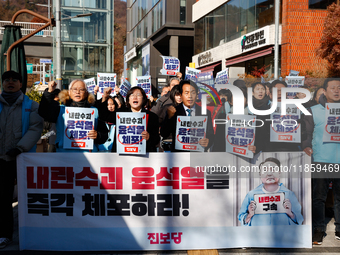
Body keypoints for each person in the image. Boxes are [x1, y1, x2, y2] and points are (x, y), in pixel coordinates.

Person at [0, 71, 44, 249]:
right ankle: (4, 234)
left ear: (21, 83)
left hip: (22, 157)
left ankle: (30, 233)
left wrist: (20, 148)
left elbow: (35, 128)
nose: (10, 82)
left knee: (28, 197)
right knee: (3, 198)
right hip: (1, 159)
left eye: (14, 80)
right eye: (6, 80)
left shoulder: (32, 105)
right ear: (2, 83)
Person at [302, 77, 340, 245]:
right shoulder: (313, 110)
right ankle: (318, 229)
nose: (337, 90)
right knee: (319, 198)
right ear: (324, 91)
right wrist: (305, 146)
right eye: (333, 88)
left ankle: (339, 229)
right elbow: (306, 134)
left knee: (339, 198)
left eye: (339, 87)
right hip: (321, 160)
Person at [38, 80, 108, 152]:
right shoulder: (61, 110)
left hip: (89, 156)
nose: (78, 92)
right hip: (64, 155)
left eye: (81, 89)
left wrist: (98, 135)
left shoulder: (95, 111)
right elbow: (43, 112)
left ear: (86, 93)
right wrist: (50, 92)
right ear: (69, 92)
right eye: (74, 89)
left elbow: (104, 134)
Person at [238, 158, 304, 226]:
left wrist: (290, 213)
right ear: (260, 174)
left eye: (273, 170)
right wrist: (249, 215)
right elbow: (241, 217)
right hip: (258, 235)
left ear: (279, 173)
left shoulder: (289, 194)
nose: (269, 174)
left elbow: (299, 219)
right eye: (265, 170)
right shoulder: (251, 195)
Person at [160, 79, 214, 152]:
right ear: (181, 95)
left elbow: (210, 134)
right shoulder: (174, 111)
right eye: (186, 93)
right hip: (179, 156)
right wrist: (169, 117)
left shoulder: (205, 112)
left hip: (197, 155)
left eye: (192, 93)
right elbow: (164, 133)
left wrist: (208, 141)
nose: (190, 96)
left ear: (197, 94)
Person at [124, 86, 160, 152]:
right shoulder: (121, 114)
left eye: (138, 95)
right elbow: (104, 115)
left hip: (145, 156)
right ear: (128, 100)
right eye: (132, 95)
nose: (135, 97)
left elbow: (157, 139)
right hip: (124, 155)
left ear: (143, 99)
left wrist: (149, 137)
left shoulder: (152, 117)